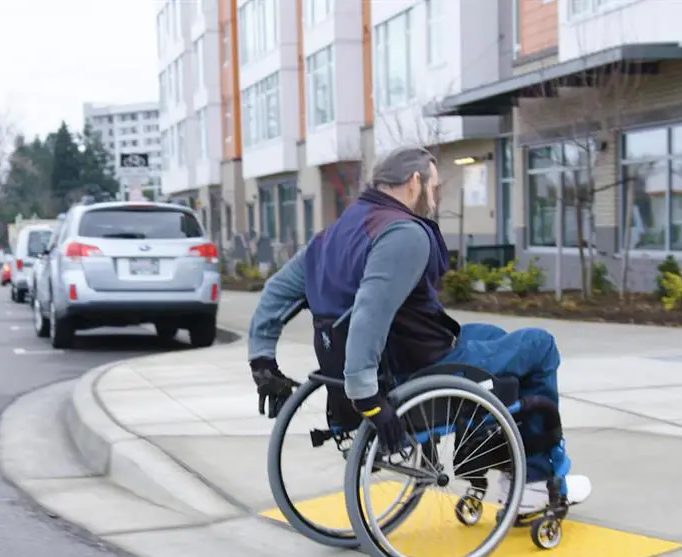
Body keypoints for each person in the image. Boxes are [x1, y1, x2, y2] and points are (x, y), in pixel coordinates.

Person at [246, 145, 590, 511]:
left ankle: (492, 458)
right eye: (434, 187)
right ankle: (534, 482)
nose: (435, 196)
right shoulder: (402, 233)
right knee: (539, 345)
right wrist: (366, 397)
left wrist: (262, 361)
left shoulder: (334, 234)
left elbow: (276, 292)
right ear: (414, 182)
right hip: (418, 367)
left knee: (489, 336)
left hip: (404, 356)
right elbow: (370, 311)